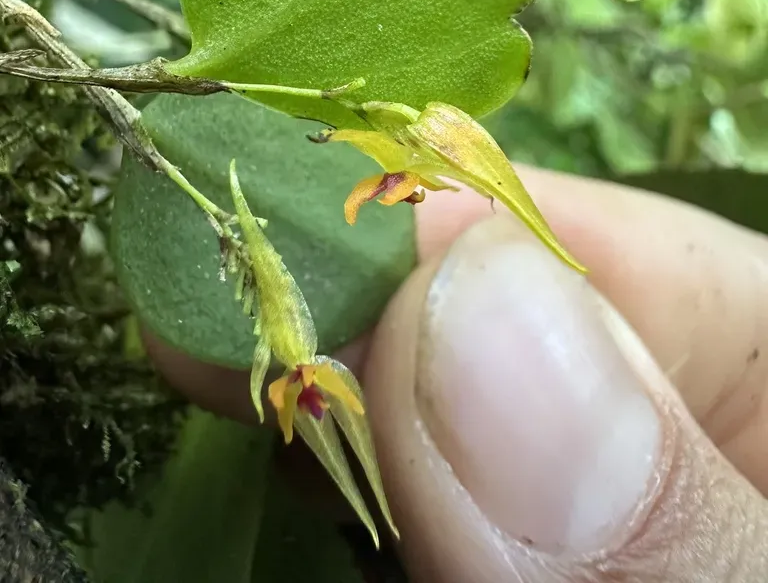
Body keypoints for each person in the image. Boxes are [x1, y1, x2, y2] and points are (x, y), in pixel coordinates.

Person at [149, 165, 768, 581]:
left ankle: (375, 516)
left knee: (359, 470)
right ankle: (373, 515)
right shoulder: (295, 378)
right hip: (299, 341)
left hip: (314, 345)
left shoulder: (302, 378)